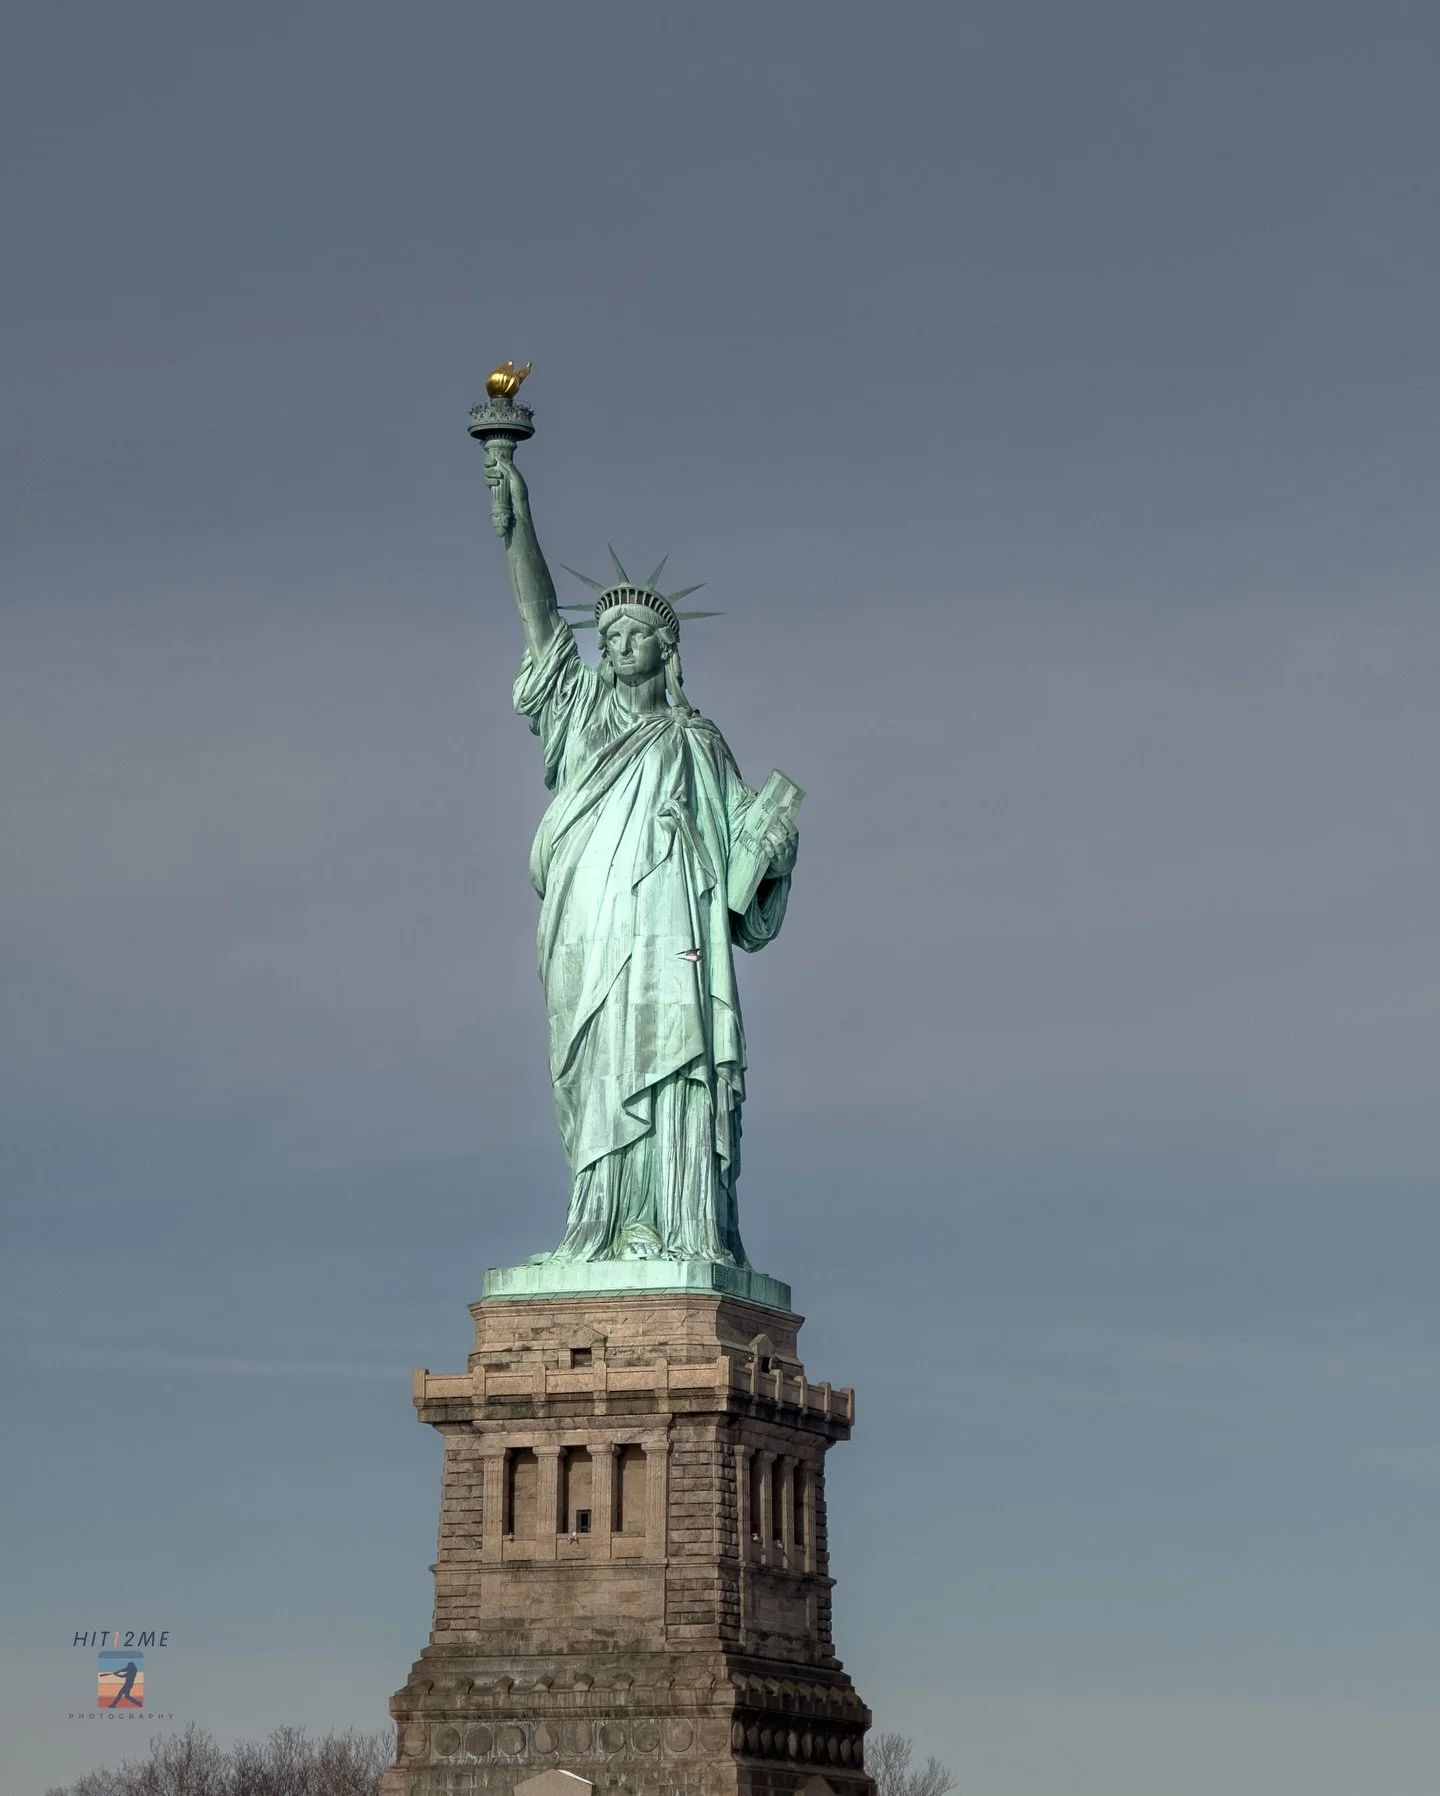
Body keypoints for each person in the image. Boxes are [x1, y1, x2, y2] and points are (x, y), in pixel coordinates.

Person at [485, 451, 798, 1266]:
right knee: (597, 1062)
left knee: (673, 1061)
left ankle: (679, 1223)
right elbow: (540, 619)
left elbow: (743, 857)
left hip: (672, 930)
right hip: (591, 918)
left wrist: (774, 841)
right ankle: (603, 1219)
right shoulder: (580, 708)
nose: (618, 644)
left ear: (667, 650)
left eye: (635, 635)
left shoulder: (698, 740)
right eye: (610, 635)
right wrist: (517, 518)